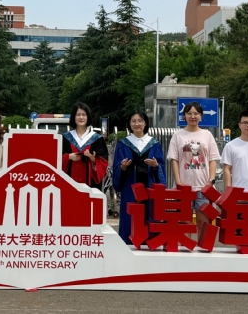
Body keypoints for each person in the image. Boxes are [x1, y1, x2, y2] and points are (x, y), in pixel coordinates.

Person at [166, 101, 221, 239]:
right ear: (184, 116)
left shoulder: (207, 135)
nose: (192, 116)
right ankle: (185, 249)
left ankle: (203, 248)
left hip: (203, 187)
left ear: (201, 116)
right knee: (184, 223)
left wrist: (211, 181)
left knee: (204, 221)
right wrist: (178, 181)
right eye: (189, 113)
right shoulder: (178, 135)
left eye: (196, 113)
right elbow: (174, 159)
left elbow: (213, 159)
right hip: (184, 187)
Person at [112, 110, 166, 244]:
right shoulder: (123, 144)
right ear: (129, 124)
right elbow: (117, 166)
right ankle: (129, 244)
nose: (137, 124)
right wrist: (123, 167)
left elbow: (161, 166)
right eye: (134, 121)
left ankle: (149, 243)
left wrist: (155, 166)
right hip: (130, 187)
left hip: (149, 186)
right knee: (130, 216)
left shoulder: (154, 144)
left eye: (140, 121)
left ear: (145, 123)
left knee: (149, 214)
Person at [61, 102, 108, 188]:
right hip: (68, 183)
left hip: (90, 186)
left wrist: (93, 159)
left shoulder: (97, 139)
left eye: (84, 115)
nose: (81, 117)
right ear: (73, 117)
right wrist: (68, 157)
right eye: (78, 115)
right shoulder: (65, 138)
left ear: (88, 117)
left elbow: (104, 161)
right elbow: (55, 159)